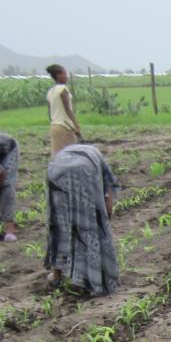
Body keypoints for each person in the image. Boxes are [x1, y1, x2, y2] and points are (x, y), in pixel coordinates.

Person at [45, 143, 120, 296]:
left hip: (55, 169)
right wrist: (104, 223)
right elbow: (108, 199)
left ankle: (57, 275)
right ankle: (92, 281)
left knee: (59, 223)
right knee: (89, 225)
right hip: (83, 169)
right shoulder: (100, 164)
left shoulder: (71, 152)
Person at [47, 64, 82, 156]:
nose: (66, 77)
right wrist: (76, 125)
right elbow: (68, 109)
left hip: (55, 126)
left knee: (57, 154)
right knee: (71, 155)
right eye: (65, 74)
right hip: (65, 127)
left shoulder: (50, 91)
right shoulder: (63, 89)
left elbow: (50, 112)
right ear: (58, 76)